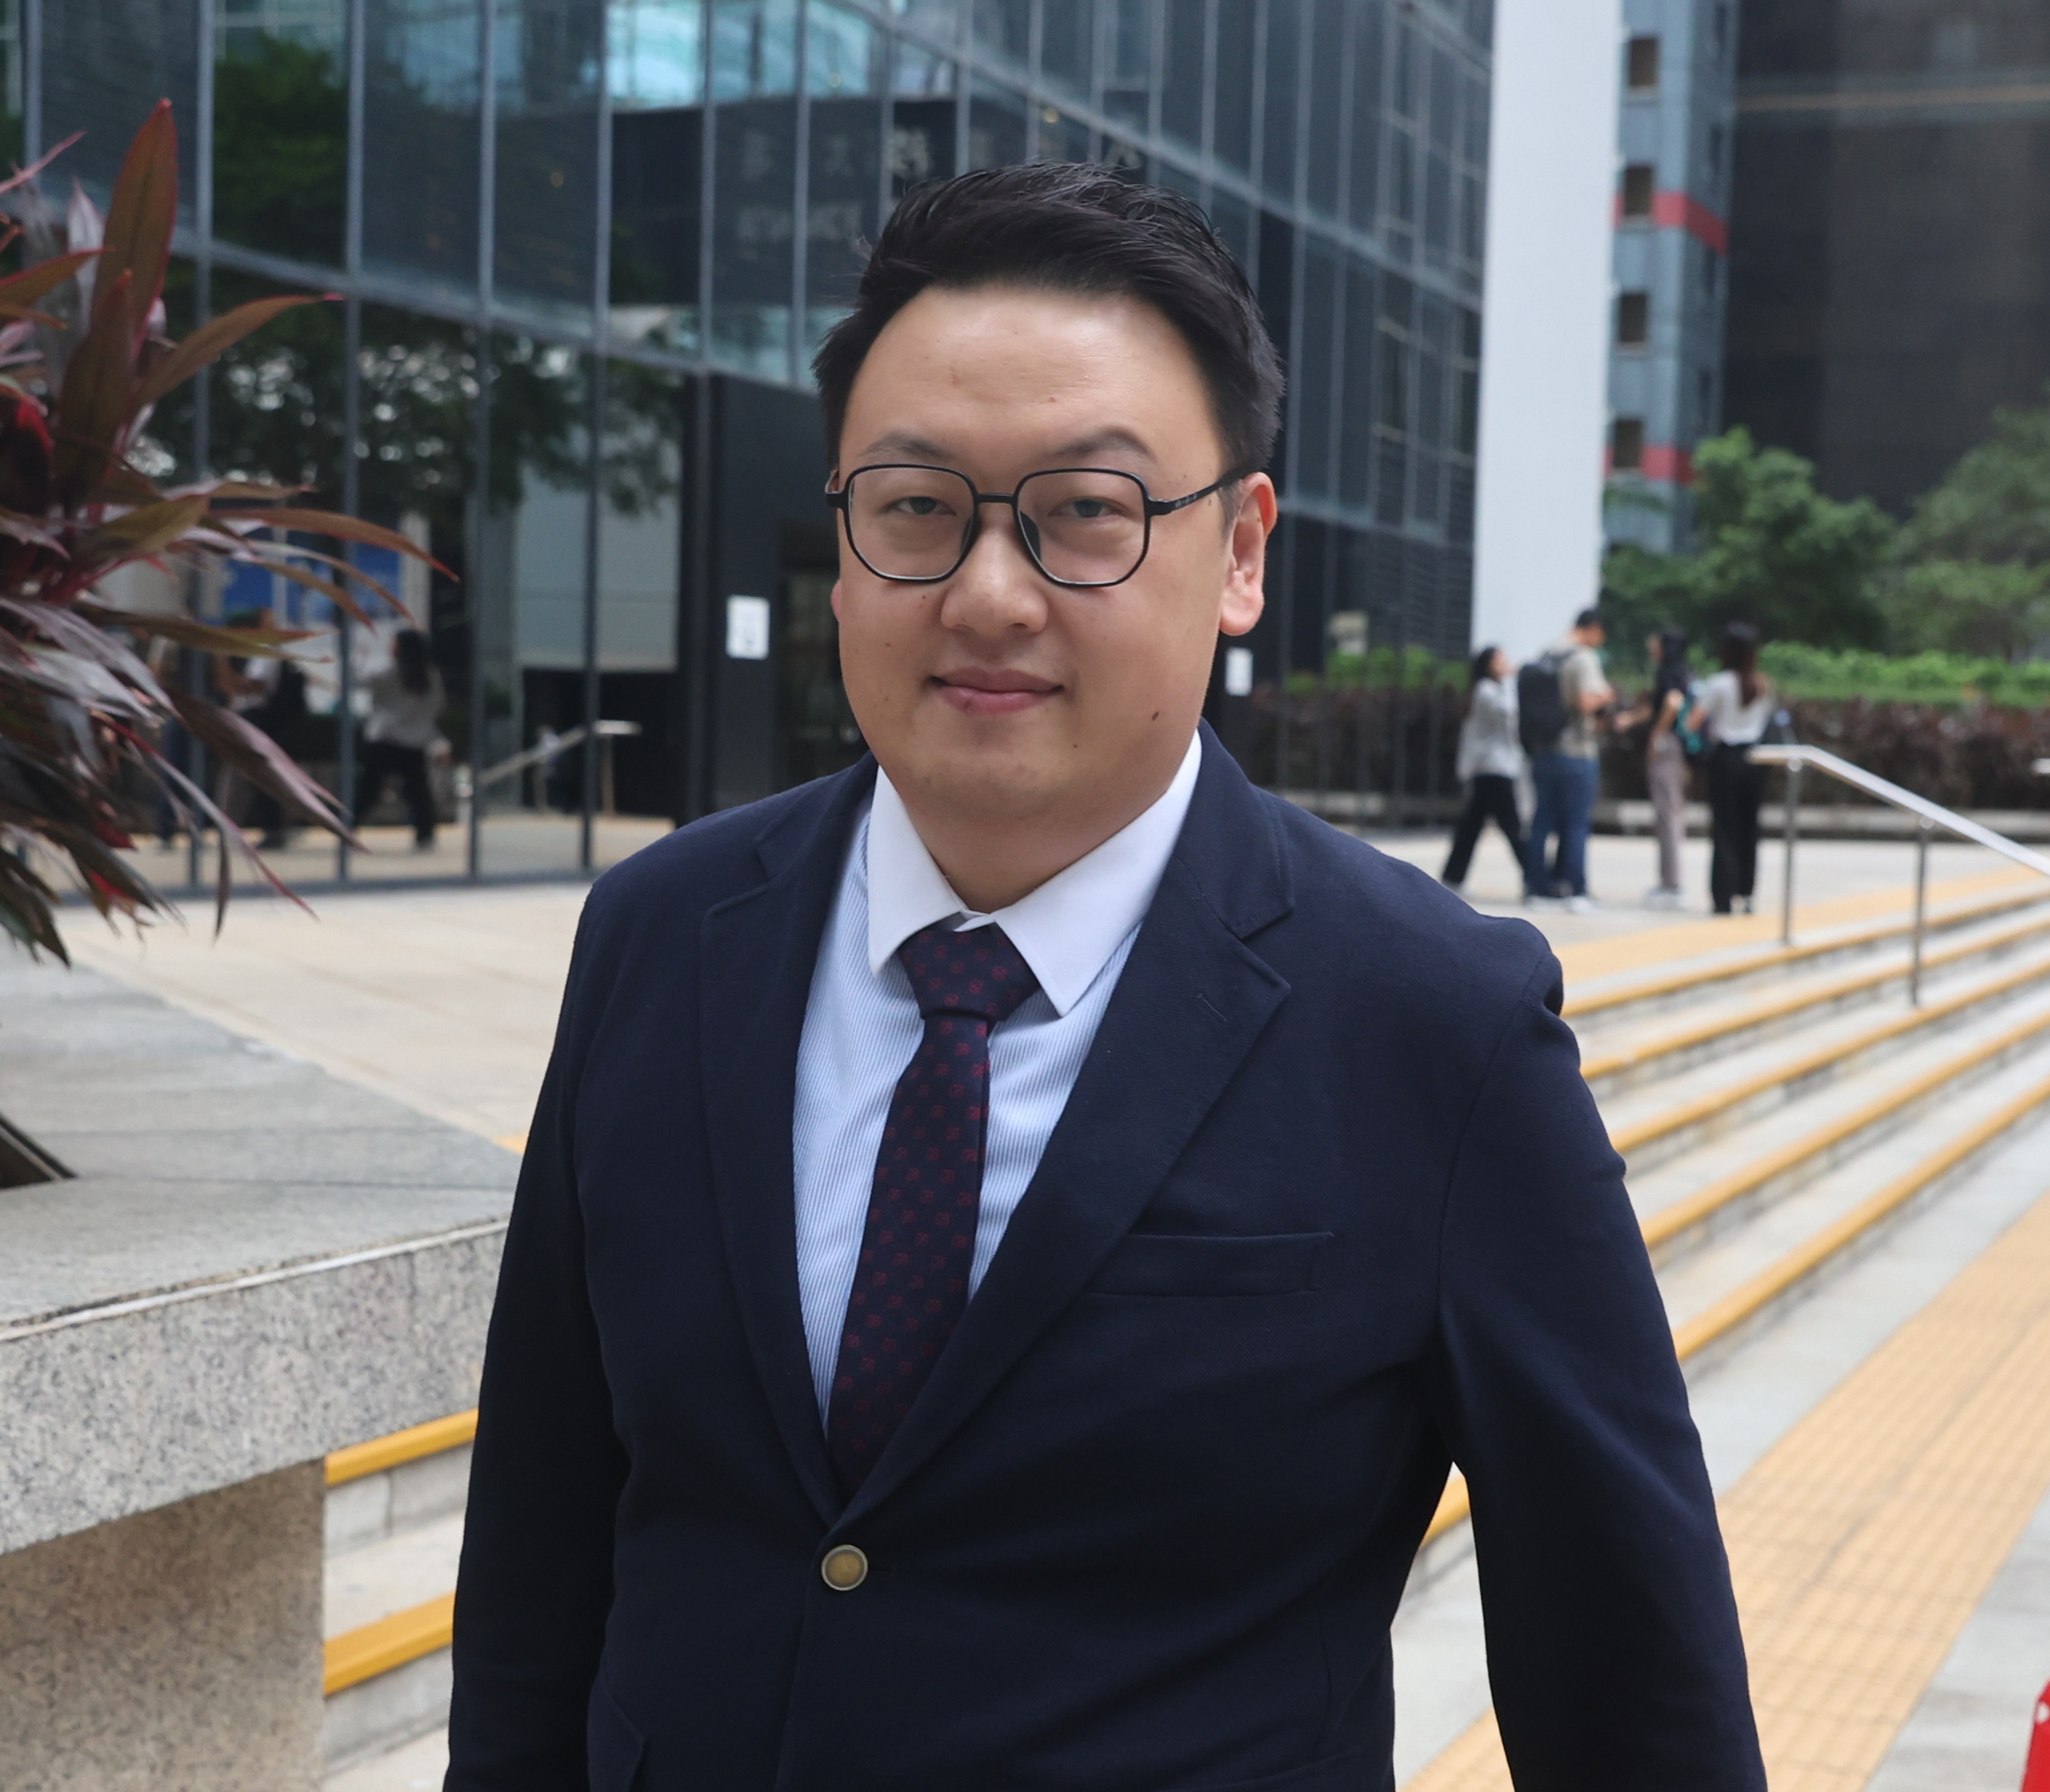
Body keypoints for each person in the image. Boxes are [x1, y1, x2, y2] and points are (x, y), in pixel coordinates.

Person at [447, 164, 1758, 1792]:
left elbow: (1630, 1677)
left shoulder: (1433, 1021)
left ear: (1240, 552)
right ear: (842, 543)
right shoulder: (661, 931)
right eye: (914, 506)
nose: (988, 593)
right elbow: (540, 1542)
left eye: (1086, 510)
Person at [1519, 607, 1614, 912]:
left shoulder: (1549, 654)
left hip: (1544, 750)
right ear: (1594, 629)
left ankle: (1537, 887)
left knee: (1541, 821)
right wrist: (1607, 696)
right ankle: (1575, 889)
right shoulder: (1583, 657)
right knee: (1576, 823)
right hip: (1577, 751)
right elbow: (1586, 702)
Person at [1691, 621, 1778, 915]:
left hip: (1726, 759)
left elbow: (1695, 720)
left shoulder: (1719, 683)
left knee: (1725, 829)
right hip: (1755, 760)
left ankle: (1723, 896)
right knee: (1750, 827)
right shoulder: (1762, 683)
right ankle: (1747, 892)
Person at [1441, 644, 1527, 891]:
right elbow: (1510, 712)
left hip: (1491, 768)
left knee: (1472, 826)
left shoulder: (1489, 689)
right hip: (1492, 769)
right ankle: (1535, 878)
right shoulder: (1486, 690)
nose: (1506, 665)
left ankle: (1453, 877)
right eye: (1500, 661)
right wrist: (1512, 680)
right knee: (1511, 825)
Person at [355, 627, 443, 849]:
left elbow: (359, 681)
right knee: (418, 790)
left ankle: (348, 825)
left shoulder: (390, 673)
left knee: (369, 788)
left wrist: (359, 657)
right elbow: (436, 707)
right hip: (414, 741)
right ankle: (425, 834)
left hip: (385, 738)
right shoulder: (430, 676)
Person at [217, 655, 312, 847]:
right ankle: (230, 826)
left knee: (258, 778)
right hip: (253, 718)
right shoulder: (254, 657)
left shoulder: (264, 656)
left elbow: (255, 685)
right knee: (247, 777)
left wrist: (224, 670)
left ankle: (269, 828)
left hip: (256, 718)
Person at [1635, 627, 1695, 909]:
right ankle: (1669, 880)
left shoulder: (1668, 672)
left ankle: (1672, 883)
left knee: (1668, 813)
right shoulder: (1679, 672)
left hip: (1668, 746)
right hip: (1675, 746)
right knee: (1669, 812)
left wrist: (1656, 735)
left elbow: (1672, 704)